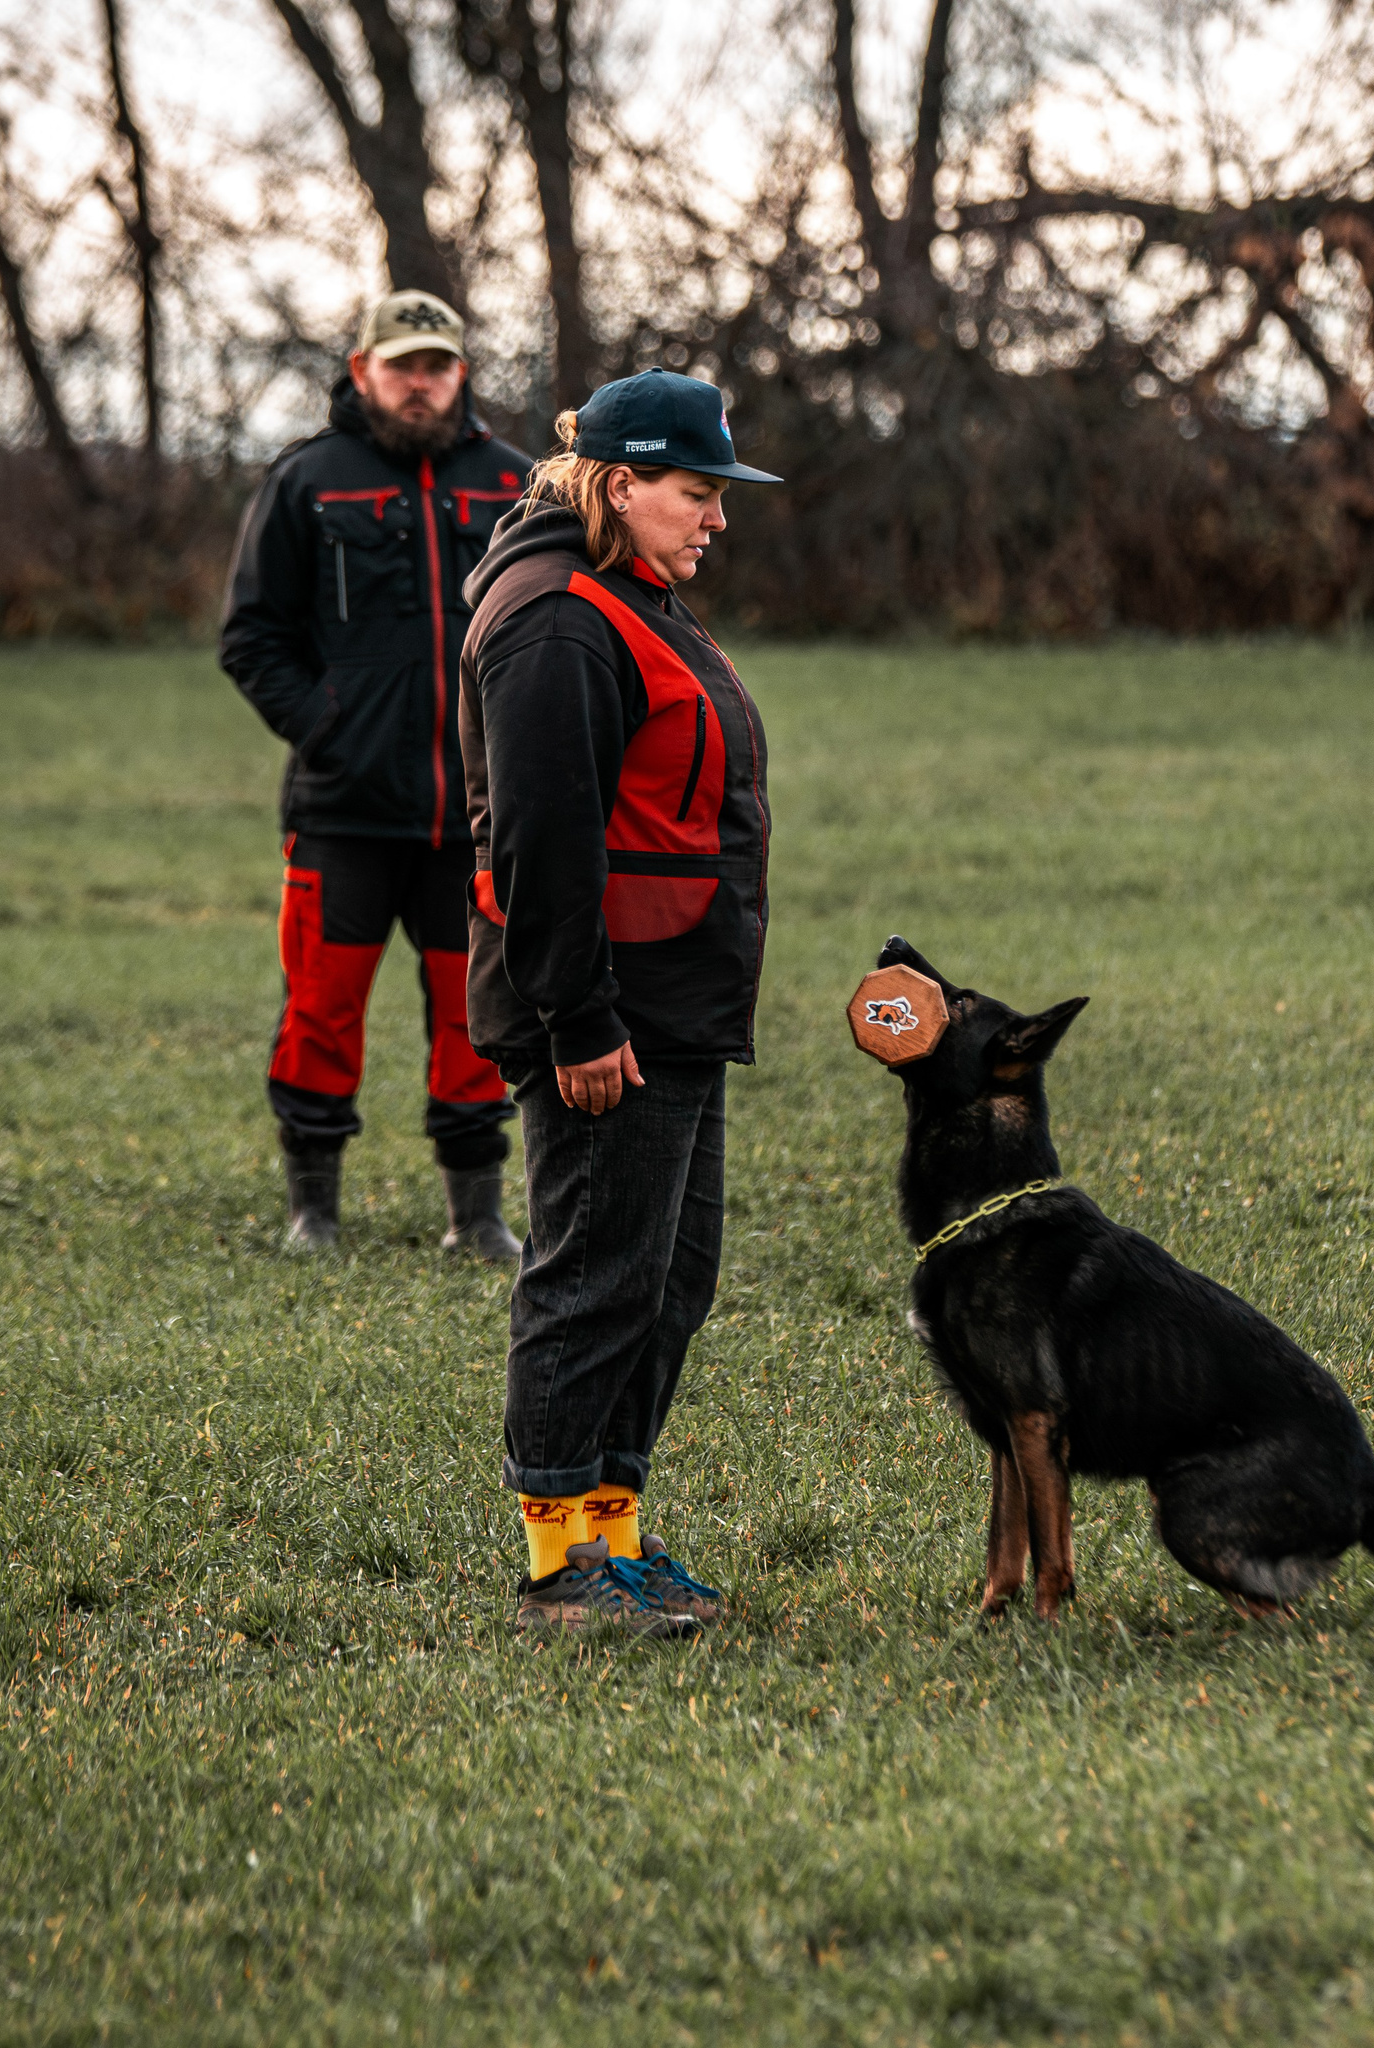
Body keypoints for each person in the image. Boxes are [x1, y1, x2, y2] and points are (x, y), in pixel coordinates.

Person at [457, 369, 780, 1636]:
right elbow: (540, 841)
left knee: (668, 1278)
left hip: (674, 1001)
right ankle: (557, 1571)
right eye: (696, 492)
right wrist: (580, 1019)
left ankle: (618, 1540)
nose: (714, 518)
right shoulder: (555, 619)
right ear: (618, 482)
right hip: (608, 1014)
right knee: (594, 1277)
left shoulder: (633, 598)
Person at [219, 290, 531, 1261]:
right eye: (401, 365)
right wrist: (327, 727)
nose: (419, 382)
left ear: (460, 374)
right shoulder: (308, 481)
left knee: (477, 1018)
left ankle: (474, 1217)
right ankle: (313, 1208)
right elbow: (252, 636)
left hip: (477, 819)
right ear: (362, 372)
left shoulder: (519, 483)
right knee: (320, 1009)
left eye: (436, 364)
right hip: (343, 812)